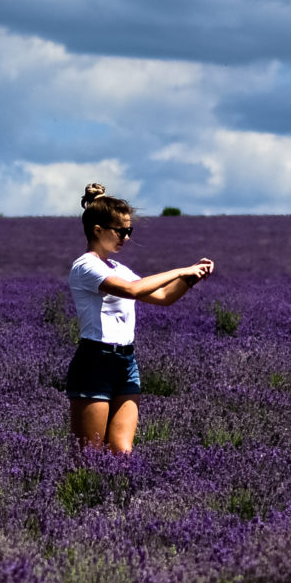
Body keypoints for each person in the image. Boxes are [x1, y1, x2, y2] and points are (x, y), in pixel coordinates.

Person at [65, 183, 212, 453]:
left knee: (122, 451)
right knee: (88, 455)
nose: (126, 237)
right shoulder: (85, 266)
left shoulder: (117, 267)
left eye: (128, 230)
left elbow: (163, 297)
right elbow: (133, 290)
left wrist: (190, 279)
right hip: (95, 361)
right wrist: (180, 269)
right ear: (98, 230)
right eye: (121, 231)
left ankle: (120, 495)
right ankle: (83, 496)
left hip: (126, 362)